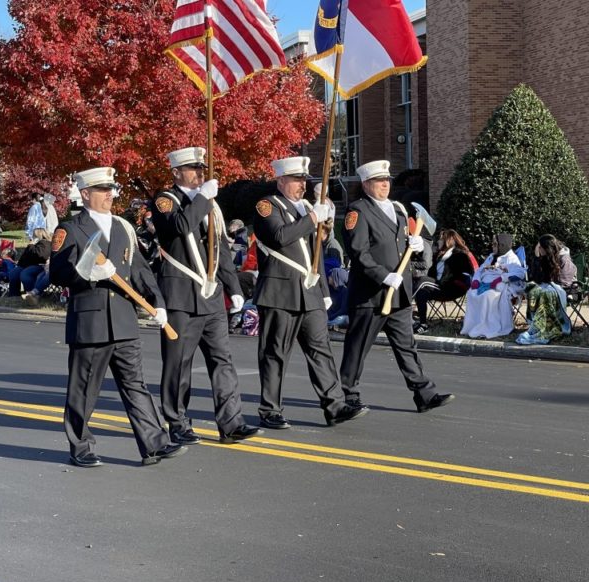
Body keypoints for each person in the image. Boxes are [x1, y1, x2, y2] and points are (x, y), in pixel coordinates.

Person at [49, 167, 186, 467]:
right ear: (85, 194)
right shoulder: (71, 229)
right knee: (84, 389)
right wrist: (87, 274)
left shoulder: (123, 228)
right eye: (102, 189)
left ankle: (154, 444)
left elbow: (139, 271)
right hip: (91, 322)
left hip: (124, 319)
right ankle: (81, 446)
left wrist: (157, 302)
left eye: (111, 188)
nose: (109, 194)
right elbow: (56, 272)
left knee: (135, 385)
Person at [150, 146, 260, 445]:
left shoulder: (208, 204)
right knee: (179, 364)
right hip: (181, 298)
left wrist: (234, 288)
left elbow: (220, 250)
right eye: (192, 169)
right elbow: (180, 226)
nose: (199, 173)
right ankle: (178, 422)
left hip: (211, 298)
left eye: (201, 168)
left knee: (222, 361)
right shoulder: (164, 200)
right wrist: (202, 199)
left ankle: (231, 422)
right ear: (176, 172)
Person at [252, 156, 368, 429]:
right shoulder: (267, 206)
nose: (302, 185)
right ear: (281, 180)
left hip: (309, 292)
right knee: (275, 353)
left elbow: (314, 256)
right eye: (296, 179)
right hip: (280, 291)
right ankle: (270, 410)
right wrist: (313, 218)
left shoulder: (305, 207)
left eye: (304, 180)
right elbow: (280, 237)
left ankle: (335, 405)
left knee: (321, 350)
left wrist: (324, 289)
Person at [340, 159, 455, 413]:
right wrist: (383, 276)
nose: (385, 185)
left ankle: (424, 393)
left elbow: (400, 246)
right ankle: (349, 394)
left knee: (407, 345)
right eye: (379, 181)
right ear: (366, 184)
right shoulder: (357, 212)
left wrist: (415, 248)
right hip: (371, 294)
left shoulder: (399, 210)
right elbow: (359, 254)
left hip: (399, 292)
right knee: (359, 345)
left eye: (387, 181)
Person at [460, 233, 525, 339]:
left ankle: (488, 327)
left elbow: (520, 273)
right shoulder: (491, 257)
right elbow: (480, 270)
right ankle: (472, 326)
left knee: (488, 296)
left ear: (502, 245)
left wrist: (501, 278)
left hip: (500, 286)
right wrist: (476, 280)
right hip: (484, 283)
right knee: (471, 293)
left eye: (495, 244)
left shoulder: (512, 258)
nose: (492, 246)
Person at [413, 229, 475, 334]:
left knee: (422, 281)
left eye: (441, 239)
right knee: (421, 292)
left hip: (451, 288)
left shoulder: (460, 255)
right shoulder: (439, 256)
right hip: (438, 287)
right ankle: (423, 324)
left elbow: (468, 273)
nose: (438, 241)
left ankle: (401, 311)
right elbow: (431, 273)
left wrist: (453, 281)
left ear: (448, 240)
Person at [515, 234, 573, 345]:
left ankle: (550, 325)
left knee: (544, 294)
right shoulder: (545, 258)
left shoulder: (563, 258)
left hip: (563, 289)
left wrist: (549, 285)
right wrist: (537, 258)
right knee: (533, 290)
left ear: (547, 248)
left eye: (540, 247)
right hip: (548, 287)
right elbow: (537, 278)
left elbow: (565, 281)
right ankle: (538, 325)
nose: (539, 249)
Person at [6, 228, 51, 296]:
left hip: (40, 265)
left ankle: (31, 293)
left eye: (34, 235)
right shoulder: (34, 244)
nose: (32, 237)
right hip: (27, 265)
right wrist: (19, 263)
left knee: (25, 274)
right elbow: (25, 256)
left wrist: (31, 246)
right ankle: (14, 294)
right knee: (14, 272)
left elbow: (41, 255)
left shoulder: (45, 243)